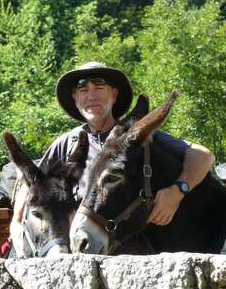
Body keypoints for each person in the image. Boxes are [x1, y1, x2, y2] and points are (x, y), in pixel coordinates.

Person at [12, 61, 215, 228]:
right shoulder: (66, 143)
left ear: (114, 95)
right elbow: (31, 181)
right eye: (83, 90)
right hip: (79, 244)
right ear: (75, 98)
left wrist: (176, 192)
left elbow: (204, 156)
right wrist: (17, 220)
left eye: (99, 88)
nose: (91, 96)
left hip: (132, 246)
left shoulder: (134, 137)